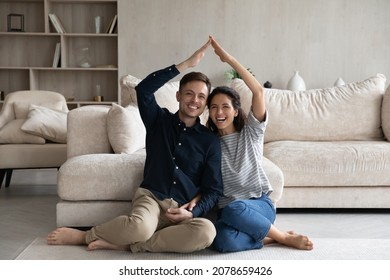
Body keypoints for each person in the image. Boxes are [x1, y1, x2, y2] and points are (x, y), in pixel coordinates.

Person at [47, 38, 223, 253]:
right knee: (139, 226)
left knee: (207, 232)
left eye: (201, 97)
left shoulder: (210, 140)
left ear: (205, 103)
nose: (195, 100)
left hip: (183, 208)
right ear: (178, 96)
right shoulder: (158, 121)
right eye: (189, 93)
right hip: (152, 198)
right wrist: (186, 64)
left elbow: (213, 189)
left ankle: (130, 244)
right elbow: (144, 90)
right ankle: (86, 235)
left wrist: (193, 214)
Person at [204, 36, 313, 252]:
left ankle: (281, 236)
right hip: (230, 213)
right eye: (214, 107)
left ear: (236, 111)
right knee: (221, 242)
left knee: (235, 209)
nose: (219, 112)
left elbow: (258, 92)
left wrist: (228, 59)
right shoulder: (209, 143)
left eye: (225, 107)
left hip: (259, 204)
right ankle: (271, 238)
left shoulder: (251, 132)